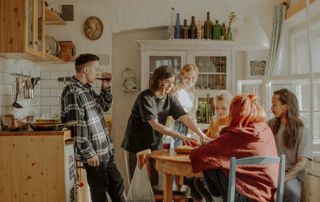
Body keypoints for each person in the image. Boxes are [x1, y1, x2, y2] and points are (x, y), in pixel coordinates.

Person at [121, 65, 210, 184]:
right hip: (136, 145)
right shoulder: (145, 97)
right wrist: (181, 136)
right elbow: (156, 125)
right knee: (137, 183)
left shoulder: (170, 99)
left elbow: (185, 118)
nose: (170, 86)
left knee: (154, 181)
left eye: (172, 83)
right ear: (158, 80)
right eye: (167, 82)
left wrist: (201, 135)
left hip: (154, 143)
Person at [61, 54, 126, 202]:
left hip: (105, 151)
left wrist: (106, 87)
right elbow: (77, 127)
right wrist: (89, 153)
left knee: (117, 187)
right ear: (85, 70)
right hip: (94, 154)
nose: (98, 73)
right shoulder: (73, 92)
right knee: (99, 194)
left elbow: (105, 105)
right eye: (96, 69)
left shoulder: (86, 89)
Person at [190, 95, 279, 202]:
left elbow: (198, 154)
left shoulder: (235, 134)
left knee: (210, 162)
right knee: (217, 162)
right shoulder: (265, 129)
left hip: (244, 197)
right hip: (269, 194)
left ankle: (216, 200)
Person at [268, 88, 313, 202]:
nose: (271, 108)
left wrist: (283, 178)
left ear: (285, 106)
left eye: (274, 105)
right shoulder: (271, 125)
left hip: (292, 174)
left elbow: (303, 163)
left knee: (291, 191)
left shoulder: (303, 131)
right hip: (271, 171)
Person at [172, 64, 199, 145]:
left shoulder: (194, 93)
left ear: (196, 77)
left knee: (181, 151)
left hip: (186, 126)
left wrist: (193, 129)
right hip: (174, 125)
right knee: (171, 150)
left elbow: (193, 112)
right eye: (187, 77)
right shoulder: (175, 89)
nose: (190, 81)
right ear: (181, 76)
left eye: (193, 78)